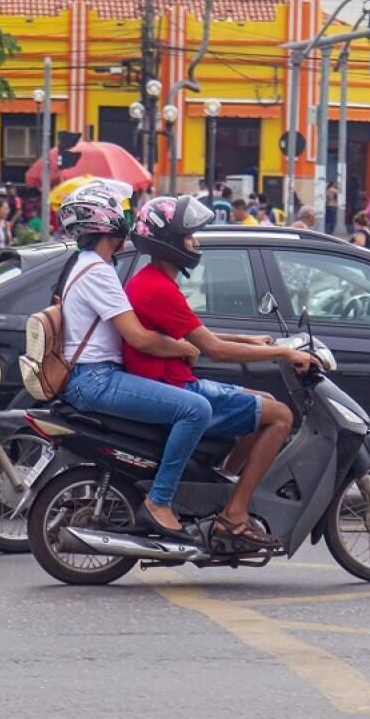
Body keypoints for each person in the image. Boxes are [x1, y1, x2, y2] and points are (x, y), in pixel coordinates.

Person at [126, 196, 316, 549]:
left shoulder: (152, 280)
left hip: (174, 380)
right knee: (280, 417)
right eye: (189, 236)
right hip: (174, 387)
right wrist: (282, 352)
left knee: (265, 402)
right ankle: (235, 515)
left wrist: (248, 338)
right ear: (168, 243)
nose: (195, 243)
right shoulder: (158, 288)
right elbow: (214, 349)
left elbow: (192, 331)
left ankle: (222, 488)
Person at [54, 180, 208, 539]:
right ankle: (160, 500)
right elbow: (138, 337)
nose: (127, 220)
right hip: (96, 379)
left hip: (92, 375)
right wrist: (185, 348)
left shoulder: (84, 263)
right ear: (106, 221)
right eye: (121, 213)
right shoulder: (98, 272)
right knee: (195, 410)